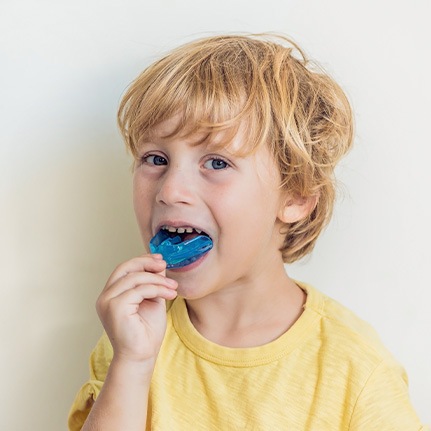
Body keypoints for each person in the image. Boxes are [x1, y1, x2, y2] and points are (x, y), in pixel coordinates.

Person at [68, 34, 427, 430]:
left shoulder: (356, 369)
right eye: (156, 159)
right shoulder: (133, 333)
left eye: (217, 163)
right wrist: (132, 362)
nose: (170, 191)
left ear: (295, 196)